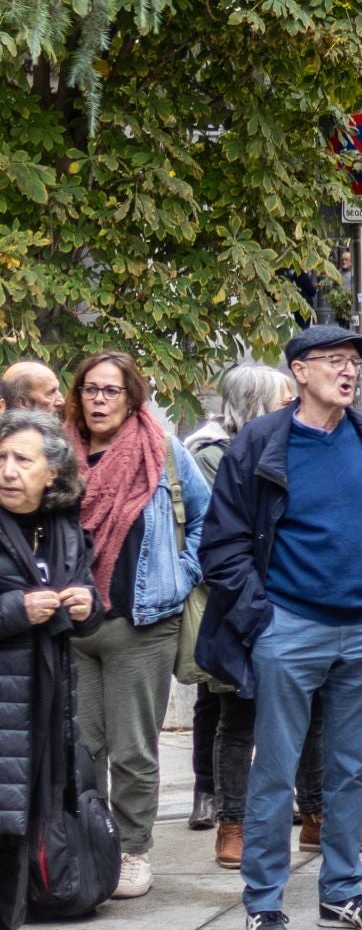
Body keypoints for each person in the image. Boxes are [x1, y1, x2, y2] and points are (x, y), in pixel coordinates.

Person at [195, 326, 362, 930]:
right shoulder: (263, 442)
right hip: (289, 628)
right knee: (274, 770)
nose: (349, 372)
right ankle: (263, 902)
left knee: (349, 770)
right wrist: (261, 620)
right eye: (334, 361)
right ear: (300, 370)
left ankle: (341, 890)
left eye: (354, 363)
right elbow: (223, 542)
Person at [187, 365, 362, 870]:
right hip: (243, 607)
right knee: (239, 717)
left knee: (312, 717)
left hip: (302, 607)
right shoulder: (213, 456)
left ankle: (316, 817)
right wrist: (257, 610)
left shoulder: (303, 446)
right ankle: (234, 824)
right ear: (252, 408)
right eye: (279, 401)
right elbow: (223, 541)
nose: (291, 409)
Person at [63, 350, 208, 900]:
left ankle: (132, 850)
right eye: (91, 390)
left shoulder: (162, 452)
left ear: (132, 398)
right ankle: (90, 845)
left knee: (131, 751)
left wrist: (182, 573)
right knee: (82, 749)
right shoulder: (61, 453)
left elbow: (207, 519)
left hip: (141, 623)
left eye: (111, 391)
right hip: (72, 628)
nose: (100, 400)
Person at [0, 410, 98, 930]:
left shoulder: (63, 528)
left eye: (22, 460)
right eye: (1, 458)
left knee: (25, 831)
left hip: (45, 710)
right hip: (5, 708)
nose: (8, 471)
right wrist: (18, 611)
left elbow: (84, 607)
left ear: (52, 473)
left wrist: (86, 605)